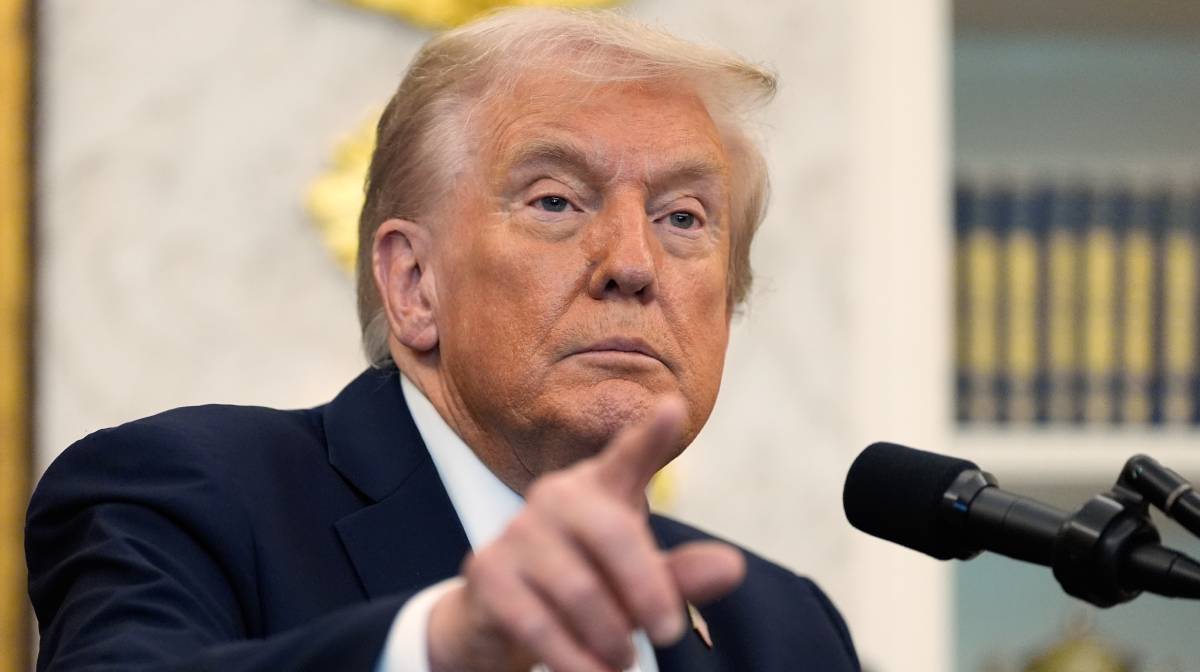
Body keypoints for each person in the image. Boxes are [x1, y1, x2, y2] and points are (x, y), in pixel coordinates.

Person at [26, 8, 860, 672]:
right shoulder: (187, 497)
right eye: (556, 201)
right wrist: (442, 647)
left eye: (683, 218)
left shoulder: (781, 627)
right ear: (414, 284)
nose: (634, 264)